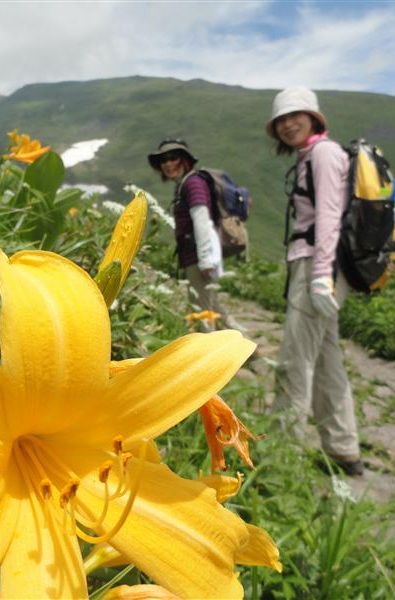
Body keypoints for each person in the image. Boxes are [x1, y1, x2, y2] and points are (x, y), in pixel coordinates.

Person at [265, 87, 364, 476]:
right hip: (320, 267)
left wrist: (321, 276)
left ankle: (278, 461)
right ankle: (343, 449)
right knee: (326, 360)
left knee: (294, 361)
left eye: (296, 116)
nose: (288, 124)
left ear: (313, 117)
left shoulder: (322, 154)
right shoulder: (316, 155)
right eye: (281, 120)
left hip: (317, 268)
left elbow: (328, 217)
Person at [147, 139, 244, 333]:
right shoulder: (186, 183)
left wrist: (205, 260)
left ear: (185, 160)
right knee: (211, 305)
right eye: (163, 160)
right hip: (195, 256)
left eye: (173, 158)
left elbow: (202, 221)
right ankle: (246, 346)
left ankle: (211, 355)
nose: (167, 164)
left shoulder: (193, 183)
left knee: (202, 310)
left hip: (197, 257)